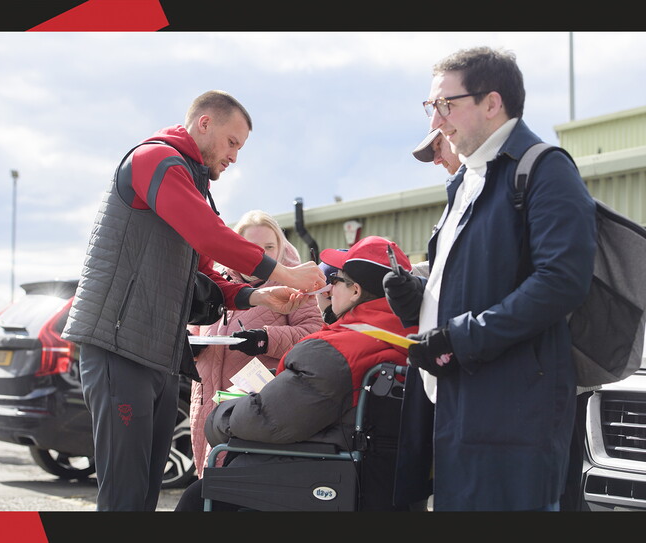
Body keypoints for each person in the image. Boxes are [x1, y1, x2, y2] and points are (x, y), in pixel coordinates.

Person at [61, 90, 325, 511]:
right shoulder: (155, 160)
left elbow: (206, 270)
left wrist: (259, 295)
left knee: (146, 493)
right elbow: (211, 238)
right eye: (232, 142)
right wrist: (286, 272)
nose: (235, 156)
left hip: (161, 356)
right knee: (124, 497)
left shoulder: (190, 185)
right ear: (204, 124)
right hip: (118, 348)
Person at [383, 46, 597, 511]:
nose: (437, 119)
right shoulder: (467, 179)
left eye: (446, 104)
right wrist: (416, 299)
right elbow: (473, 284)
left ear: (492, 103)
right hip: (455, 402)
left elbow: (561, 282)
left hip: (509, 413)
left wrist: (459, 339)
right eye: (431, 107)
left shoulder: (545, 169)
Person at [174, 236, 420, 512]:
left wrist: (219, 417)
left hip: (326, 479)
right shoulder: (417, 343)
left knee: (198, 496)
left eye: (337, 279)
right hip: (385, 484)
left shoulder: (336, 350)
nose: (329, 288)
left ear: (355, 291)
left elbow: (266, 420)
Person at [188, 209, 324, 478]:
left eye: (269, 247)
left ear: (281, 249)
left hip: (258, 406)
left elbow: (314, 334)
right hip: (205, 402)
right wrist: (190, 345)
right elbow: (193, 327)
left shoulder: (296, 287)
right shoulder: (214, 285)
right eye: (251, 247)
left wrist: (265, 339)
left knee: (246, 486)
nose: (260, 254)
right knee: (209, 483)